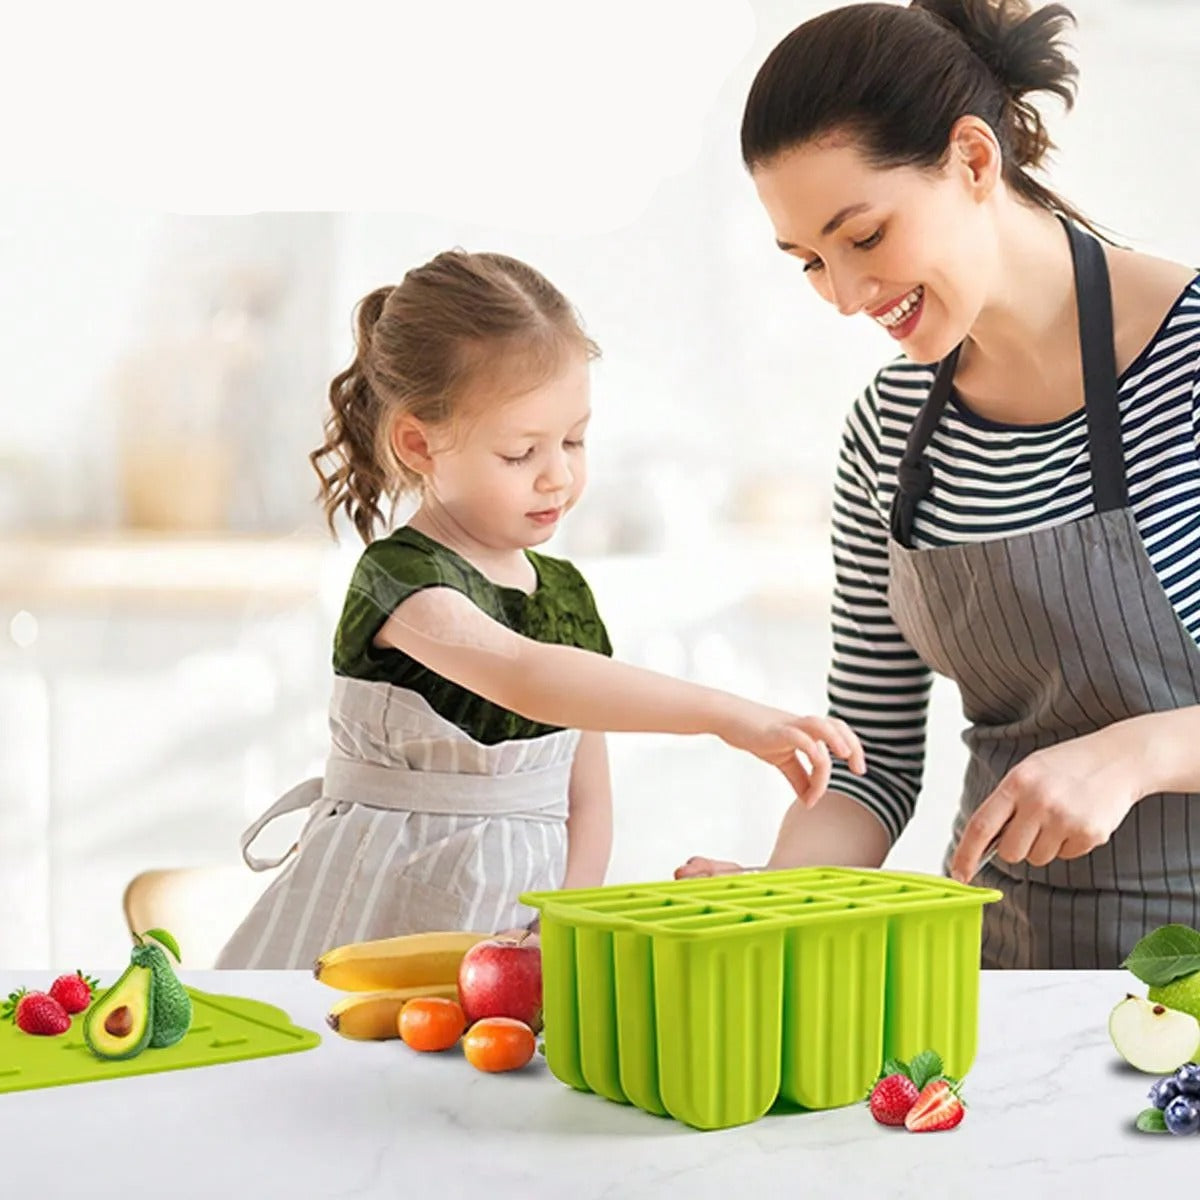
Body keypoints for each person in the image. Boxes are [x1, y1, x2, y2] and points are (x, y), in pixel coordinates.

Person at [676, 0, 1200, 970]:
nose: (844, 296)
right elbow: (869, 760)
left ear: (971, 159)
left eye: (865, 236)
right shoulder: (889, 427)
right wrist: (776, 901)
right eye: (810, 262)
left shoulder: (1191, 364)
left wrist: (1139, 754)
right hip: (1011, 974)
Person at [216, 249, 865, 969]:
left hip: (520, 937)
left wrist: (561, 922)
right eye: (522, 452)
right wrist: (728, 716)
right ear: (419, 443)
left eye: (574, 440)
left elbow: (587, 800)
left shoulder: (566, 596)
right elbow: (523, 675)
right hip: (372, 923)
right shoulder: (400, 579)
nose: (558, 475)